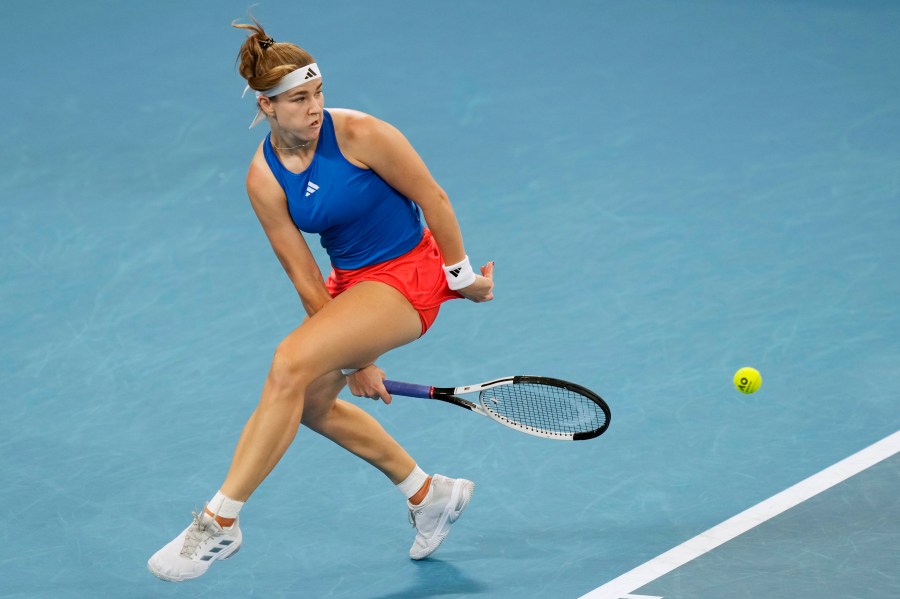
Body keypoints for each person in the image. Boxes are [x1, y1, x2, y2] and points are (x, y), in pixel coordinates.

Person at [147, 17, 494, 582]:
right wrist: (358, 358)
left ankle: (219, 523)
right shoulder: (263, 178)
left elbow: (432, 195)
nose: (314, 108)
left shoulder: (360, 132)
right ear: (267, 108)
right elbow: (306, 277)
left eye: (318, 93)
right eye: (299, 99)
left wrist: (460, 276)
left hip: (410, 274)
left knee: (287, 363)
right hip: (350, 288)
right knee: (307, 402)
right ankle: (428, 493)